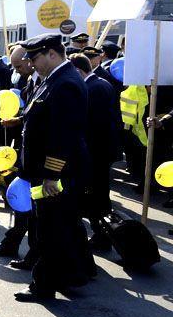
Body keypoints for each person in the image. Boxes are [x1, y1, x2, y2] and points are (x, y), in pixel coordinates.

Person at [14, 34, 92, 302]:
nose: (32, 64)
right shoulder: (55, 79)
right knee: (61, 225)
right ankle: (74, 274)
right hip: (49, 171)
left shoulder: (66, 83)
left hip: (57, 173)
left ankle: (43, 287)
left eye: (34, 58)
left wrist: (50, 175)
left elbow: (63, 135)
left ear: (51, 54)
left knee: (50, 229)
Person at [0, 43, 40, 261]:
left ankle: (34, 256)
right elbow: (31, 114)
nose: (15, 71)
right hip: (25, 151)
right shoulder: (31, 80)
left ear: (30, 61)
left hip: (43, 159)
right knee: (22, 204)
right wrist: (17, 120)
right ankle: (13, 244)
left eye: (18, 66)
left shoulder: (53, 83)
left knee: (37, 212)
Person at [70, 53, 121, 248]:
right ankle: (102, 234)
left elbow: (94, 126)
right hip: (99, 151)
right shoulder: (99, 83)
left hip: (96, 153)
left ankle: (102, 235)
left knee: (97, 196)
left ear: (78, 71)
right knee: (98, 195)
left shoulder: (94, 88)